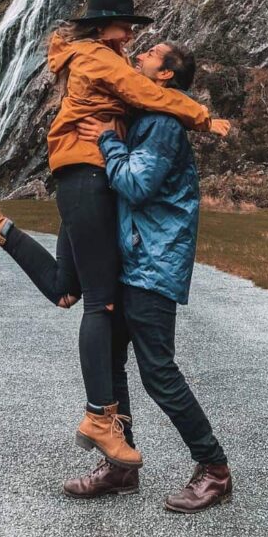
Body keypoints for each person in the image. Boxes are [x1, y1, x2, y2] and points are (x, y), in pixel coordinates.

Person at [0, 0, 231, 471]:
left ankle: (0, 230)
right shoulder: (101, 58)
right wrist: (206, 118)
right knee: (101, 304)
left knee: (67, 289)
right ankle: (102, 420)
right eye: (126, 27)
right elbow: (147, 95)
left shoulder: (91, 57)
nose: (133, 38)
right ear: (105, 27)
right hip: (88, 175)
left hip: (79, 180)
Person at [62, 41, 232, 512]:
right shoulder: (145, 116)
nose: (139, 55)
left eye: (152, 54)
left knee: (158, 370)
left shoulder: (160, 124)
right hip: (132, 258)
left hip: (153, 262)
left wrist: (107, 140)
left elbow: (137, 184)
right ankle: (122, 465)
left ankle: (214, 469)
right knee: (113, 363)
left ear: (166, 76)